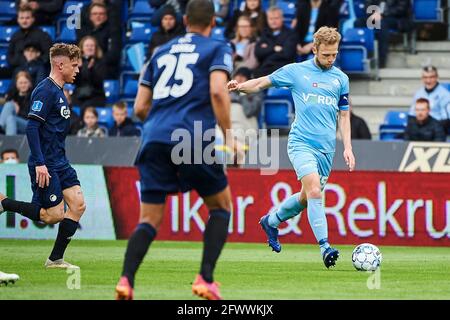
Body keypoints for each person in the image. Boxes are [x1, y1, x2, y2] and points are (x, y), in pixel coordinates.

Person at [115, 0, 239, 300]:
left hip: (153, 138)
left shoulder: (159, 52)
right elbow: (217, 91)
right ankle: (205, 279)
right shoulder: (217, 48)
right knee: (221, 207)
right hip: (192, 138)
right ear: (212, 22)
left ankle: (126, 281)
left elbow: (140, 107)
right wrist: (230, 137)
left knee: (149, 220)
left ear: (184, 20)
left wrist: (163, 122)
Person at [228, 26, 355, 268]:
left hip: (326, 150)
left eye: (334, 55)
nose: (330, 59)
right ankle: (325, 247)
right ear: (315, 49)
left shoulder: (341, 79)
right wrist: (239, 87)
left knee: (307, 198)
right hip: (301, 144)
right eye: (326, 54)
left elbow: (345, 116)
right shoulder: (296, 72)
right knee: (316, 191)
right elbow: (262, 82)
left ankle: (272, 221)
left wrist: (347, 147)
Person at [0, 43, 86, 269]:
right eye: (74, 65)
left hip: (60, 161)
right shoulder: (45, 90)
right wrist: (40, 163)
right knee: (52, 215)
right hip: (46, 163)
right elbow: (31, 128)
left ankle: (55, 259)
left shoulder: (58, 91)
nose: (77, 70)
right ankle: (4, 203)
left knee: (77, 205)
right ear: (60, 64)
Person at [253, 6, 297, 78]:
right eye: (271, 19)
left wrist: (267, 49)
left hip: (282, 70)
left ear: (282, 18)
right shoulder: (264, 32)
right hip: (264, 70)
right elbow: (258, 52)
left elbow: (287, 54)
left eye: (276, 18)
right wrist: (274, 48)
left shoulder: (291, 34)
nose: (273, 21)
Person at [408, 66, 450, 133]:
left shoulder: (445, 95)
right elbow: (411, 116)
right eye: (425, 77)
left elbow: (446, 120)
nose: (428, 81)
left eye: (431, 77)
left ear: (437, 77)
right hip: (419, 130)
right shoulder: (418, 94)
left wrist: (429, 129)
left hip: (437, 131)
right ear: (422, 78)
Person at [72, 36, 106, 110]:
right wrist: (79, 68)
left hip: (96, 96)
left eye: (92, 46)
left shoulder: (101, 62)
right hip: (79, 95)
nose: (89, 48)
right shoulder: (77, 62)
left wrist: (91, 70)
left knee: (86, 107)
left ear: (95, 48)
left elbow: (98, 82)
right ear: (82, 48)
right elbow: (73, 81)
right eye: (87, 46)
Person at [0, 71, 33, 135]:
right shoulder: (13, 94)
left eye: (25, 83)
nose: (23, 85)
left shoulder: (34, 96)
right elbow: (7, 99)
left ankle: (2, 129)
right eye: (20, 83)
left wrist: (18, 111)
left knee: (11, 118)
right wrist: (13, 104)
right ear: (17, 84)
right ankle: (9, 142)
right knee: (9, 106)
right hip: (12, 121)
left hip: (28, 125)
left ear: (29, 83)